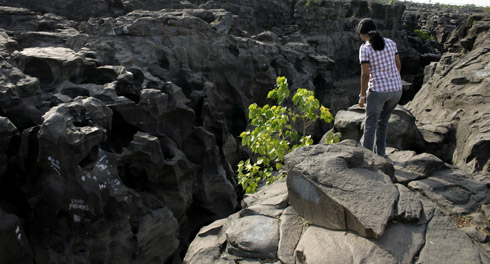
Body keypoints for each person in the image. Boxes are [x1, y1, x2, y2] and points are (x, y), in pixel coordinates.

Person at [357, 18, 403, 157]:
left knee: (370, 125)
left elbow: (365, 75)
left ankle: (367, 158)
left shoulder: (365, 48)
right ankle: (381, 155)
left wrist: (362, 97)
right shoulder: (391, 43)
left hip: (378, 91)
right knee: (383, 122)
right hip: (396, 90)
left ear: (362, 34)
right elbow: (398, 66)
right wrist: (392, 80)